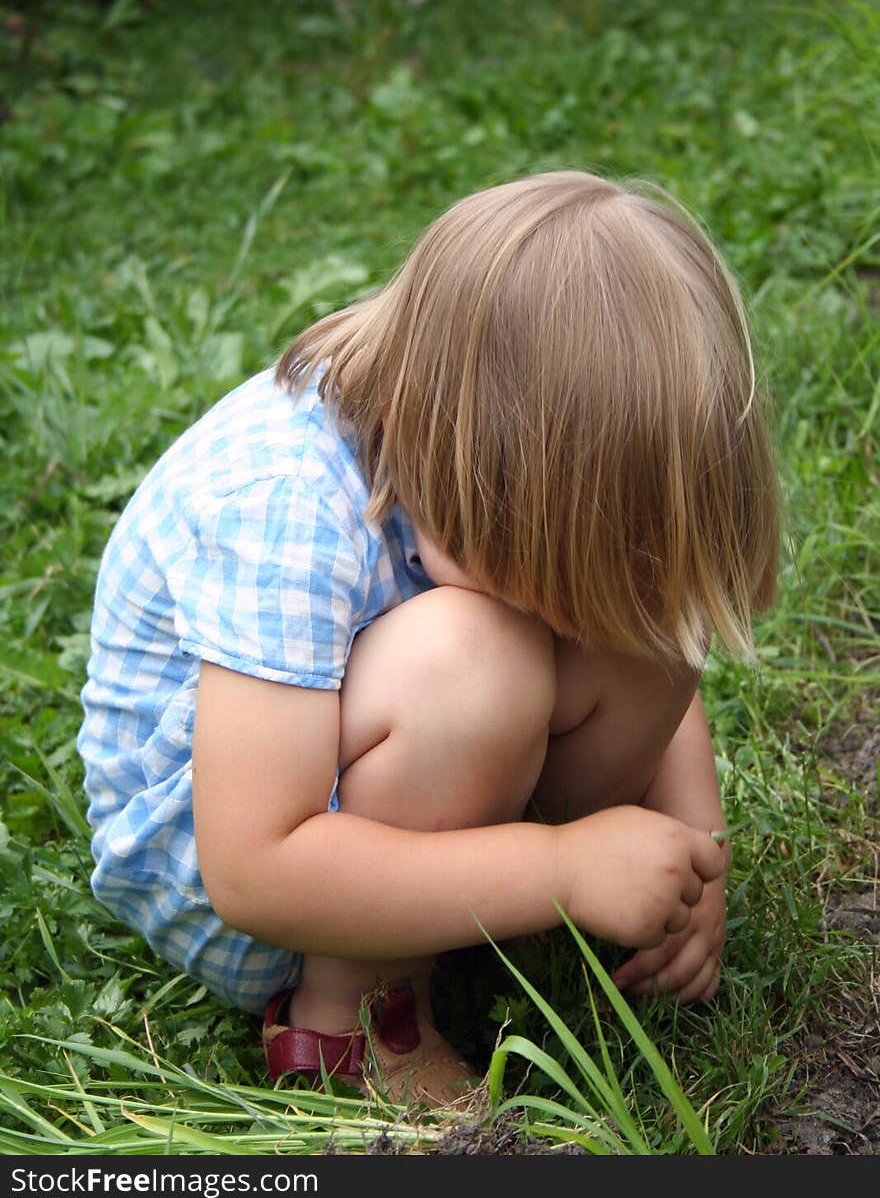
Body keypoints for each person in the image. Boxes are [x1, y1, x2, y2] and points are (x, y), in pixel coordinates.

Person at [78, 170, 779, 1108]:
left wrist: (696, 844)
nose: (581, 614)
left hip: (377, 776)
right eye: (557, 581)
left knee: (634, 641)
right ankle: (357, 1022)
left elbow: (652, 629)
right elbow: (253, 868)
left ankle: (479, 908)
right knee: (471, 659)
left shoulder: (468, 426)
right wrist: (562, 870)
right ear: (462, 466)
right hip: (239, 858)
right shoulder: (280, 505)